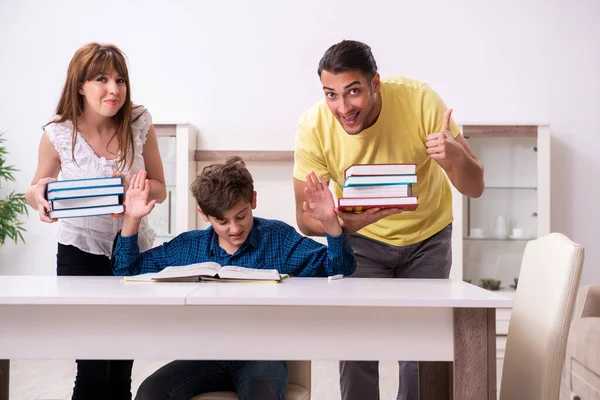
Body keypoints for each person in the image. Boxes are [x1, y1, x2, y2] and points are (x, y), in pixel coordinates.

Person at [293, 40, 485, 400]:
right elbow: (306, 221)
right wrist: (345, 226)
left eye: (353, 92)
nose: (343, 107)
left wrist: (454, 156)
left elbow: (475, 186)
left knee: (419, 353)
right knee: (357, 350)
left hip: (428, 238)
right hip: (360, 244)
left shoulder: (419, 100)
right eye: (331, 95)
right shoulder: (313, 125)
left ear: (375, 83)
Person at [113, 156, 356, 400]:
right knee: (150, 392)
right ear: (204, 215)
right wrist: (132, 219)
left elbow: (340, 266)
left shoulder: (277, 239)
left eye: (241, 216)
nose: (235, 229)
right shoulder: (189, 247)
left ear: (253, 200)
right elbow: (126, 270)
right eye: (222, 221)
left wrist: (329, 222)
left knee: (261, 391)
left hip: (262, 357)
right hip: (207, 357)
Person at [25, 43, 167, 400]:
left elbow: (161, 189)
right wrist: (39, 197)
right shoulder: (57, 133)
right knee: (91, 365)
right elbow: (36, 188)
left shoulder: (139, 123)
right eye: (101, 79)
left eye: (120, 80)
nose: (114, 89)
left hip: (132, 251)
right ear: (80, 86)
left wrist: (131, 188)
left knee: (121, 365)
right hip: (79, 253)